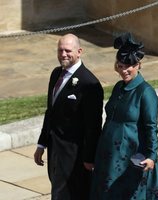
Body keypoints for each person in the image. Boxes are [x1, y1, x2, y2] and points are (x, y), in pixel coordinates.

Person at [90, 33, 158, 200]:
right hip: (109, 156)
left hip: (131, 158)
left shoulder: (146, 92)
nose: (124, 70)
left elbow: (151, 128)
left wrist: (151, 156)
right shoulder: (118, 87)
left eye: (128, 66)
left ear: (138, 65)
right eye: (120, 66)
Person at [34, 33, 104, 200]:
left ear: (79, 51)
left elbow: (93, 125)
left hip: (75, 156)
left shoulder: (90, 84)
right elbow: (50, 112)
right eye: (60, 50)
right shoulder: (55, 74)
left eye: (67, 50)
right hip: (55, 149)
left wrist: (89, 158)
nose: (63, 54)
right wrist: (42, 144)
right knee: (57, 191)